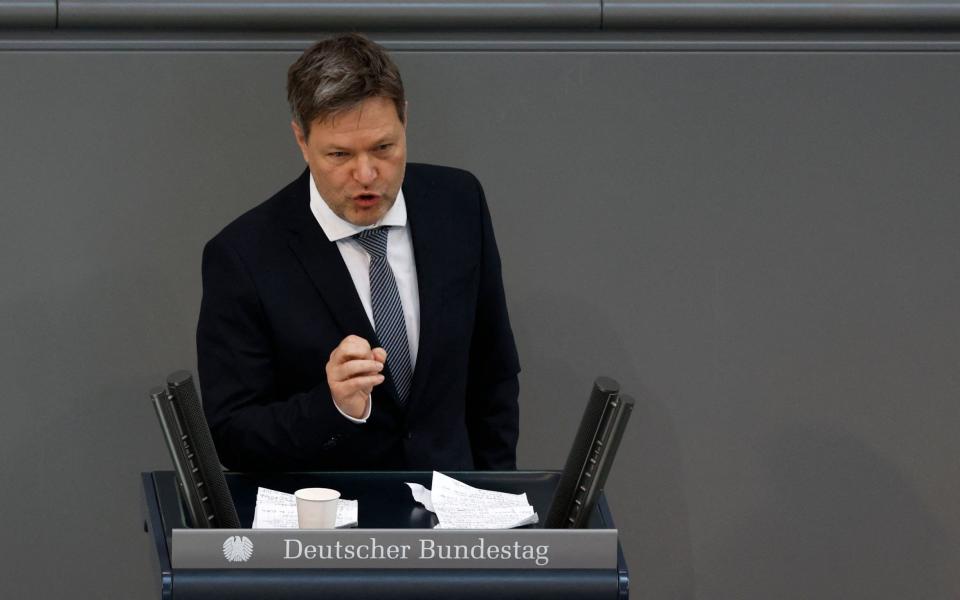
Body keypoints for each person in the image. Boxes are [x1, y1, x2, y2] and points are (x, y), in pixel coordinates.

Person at [196, 33, 520, 472]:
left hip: (453, 525)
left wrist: (491, 502)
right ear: (301, 141)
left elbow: (492, 372)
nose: (366, 174)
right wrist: (333, 407)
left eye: (384, 148)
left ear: (405, 120)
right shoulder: (244, 256)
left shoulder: (459, 203)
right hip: (329, 528)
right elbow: (234, 435)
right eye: (339, 154)